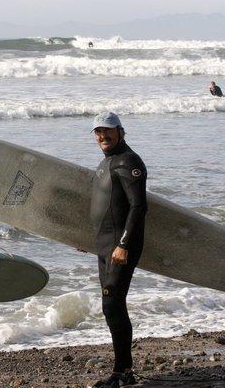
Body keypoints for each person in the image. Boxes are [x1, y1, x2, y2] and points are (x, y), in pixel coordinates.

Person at [90, 112, 147, 387]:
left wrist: (123, 245)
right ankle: (122, 371)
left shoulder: (129, 161)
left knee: (113, 304)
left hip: (120, 247)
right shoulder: (106, 162)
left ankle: (123, 372)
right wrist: (90, 240)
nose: (103, 136)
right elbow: (106, 206)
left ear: (121, 132)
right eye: (98, 132)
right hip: (105, 246)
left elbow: (138, 206)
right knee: (109, 306)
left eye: (108, 131)